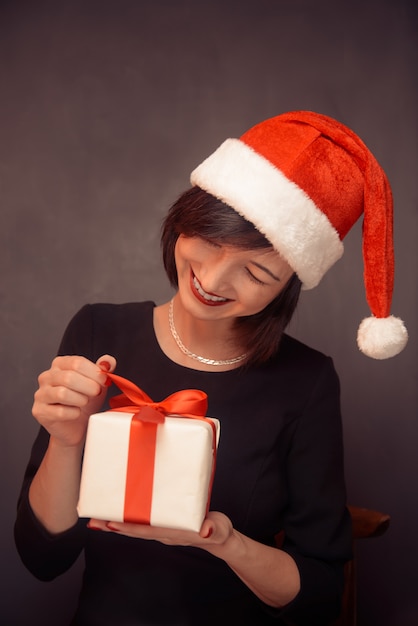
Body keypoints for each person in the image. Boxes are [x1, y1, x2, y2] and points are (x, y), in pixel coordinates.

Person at [14, 111, 408, 626]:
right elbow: (42, 559)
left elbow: (320, 591)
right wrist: (67, 441)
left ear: (285, 289)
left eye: (258, 272)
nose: (214, 279)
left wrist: (225, 543)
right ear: (185, 217)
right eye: (210, 240)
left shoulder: (306, 381)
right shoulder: (98, 333)